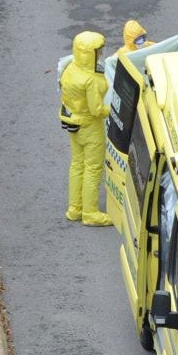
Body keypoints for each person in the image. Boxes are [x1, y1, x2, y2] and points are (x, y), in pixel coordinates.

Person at [59, 31, 113, 226]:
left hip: (74, 123)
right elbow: (97, 109)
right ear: (91, 54)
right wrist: (113, 109)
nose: (101, 54)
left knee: (77, 165)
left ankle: (75, 208)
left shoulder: (70, 68)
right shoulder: (92, 80)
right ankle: (90, 213)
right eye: (98, 51)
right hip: (91, 127)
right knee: (93, 169)